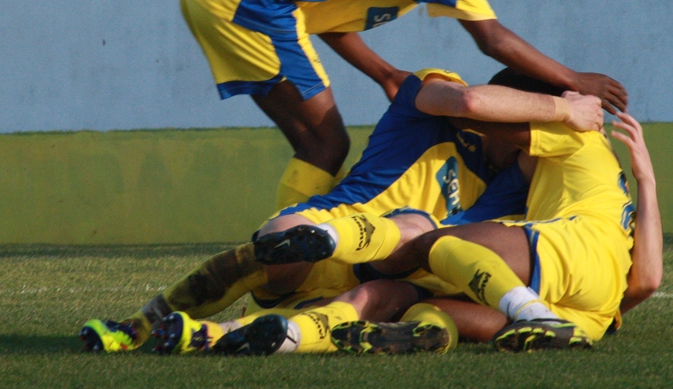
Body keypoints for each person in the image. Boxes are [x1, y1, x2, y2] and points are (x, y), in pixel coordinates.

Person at [179, 0, 627, 210]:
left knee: (318, 142)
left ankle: (291, 250)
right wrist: (574, 79)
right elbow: (490, 37)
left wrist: (384, 73)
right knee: (325, 144)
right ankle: (283, 266)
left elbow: (325, 12)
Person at [80, 69, 602, 352]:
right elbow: (468, 103)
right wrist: (564, 106)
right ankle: (136, 327)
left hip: (376, 276)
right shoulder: (432, 99)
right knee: (281, 238)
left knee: (401, 267)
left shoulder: (511, 187)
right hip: (316, 239)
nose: (529, 144)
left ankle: (207, 337)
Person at [255, 74, 660, 354]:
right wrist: (648, 182)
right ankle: (426, 334)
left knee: (431, 244)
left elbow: (466, 108)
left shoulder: (575, 134)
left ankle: (331, 241)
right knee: (427, 304)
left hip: (567, 250)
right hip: (598, 312)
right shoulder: (600, 179)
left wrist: (561, 106)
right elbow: (646, 283)